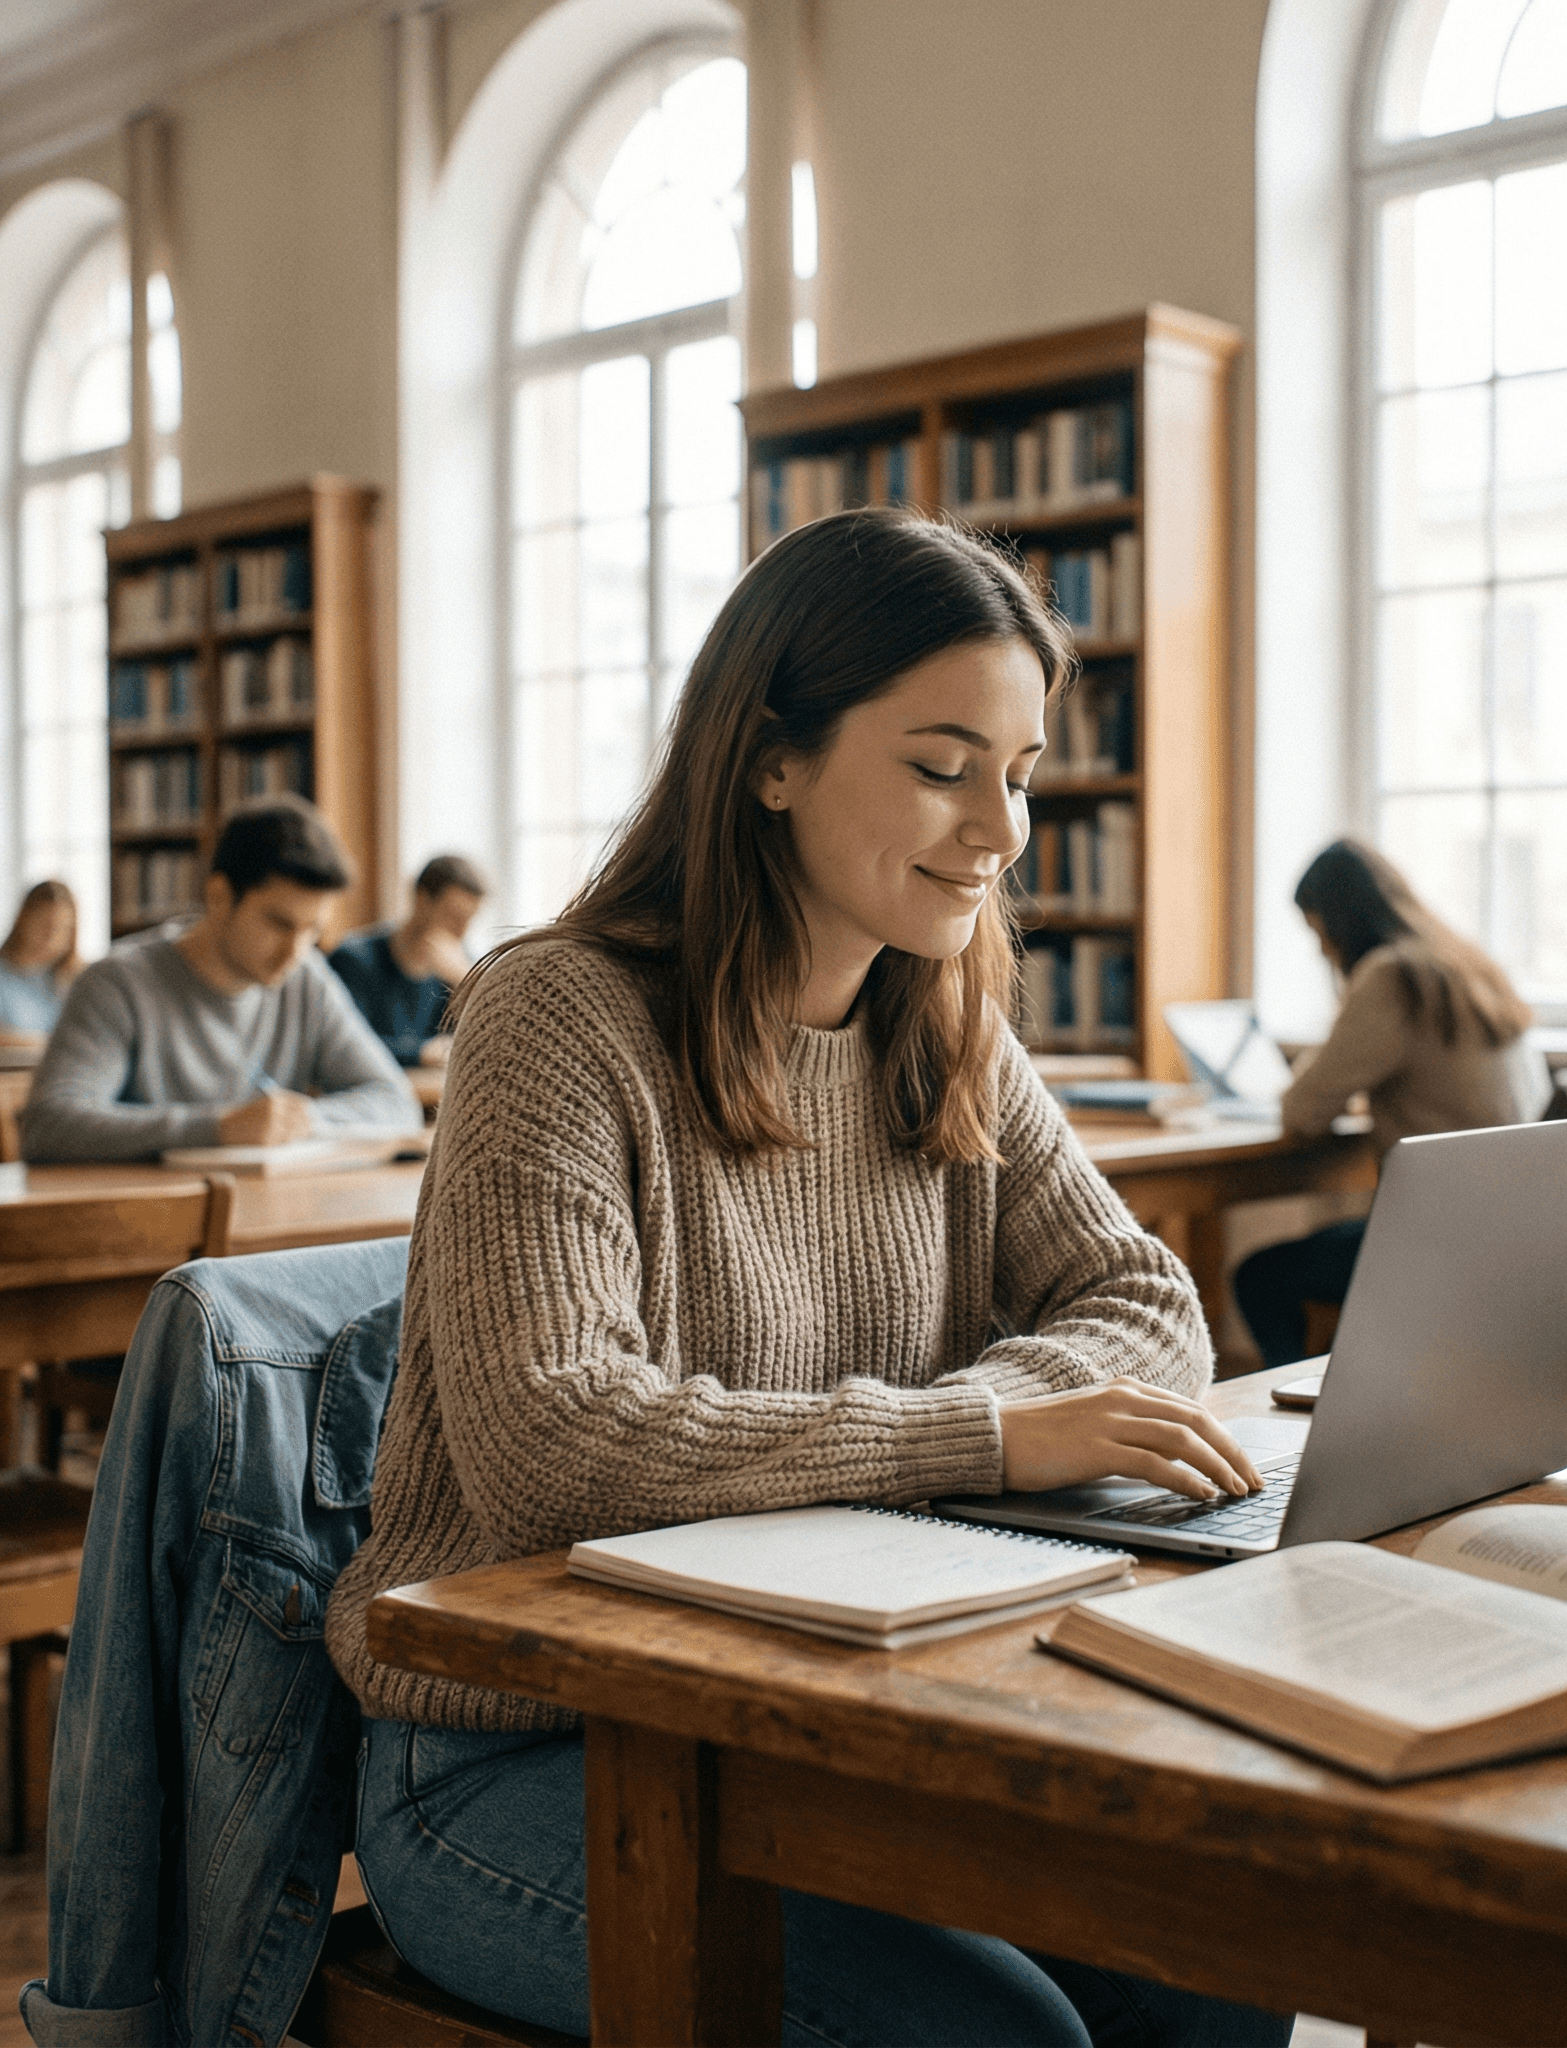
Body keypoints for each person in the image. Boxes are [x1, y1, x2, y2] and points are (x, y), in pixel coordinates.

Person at [327, 508, 1287, 2048]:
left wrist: (992, 1407)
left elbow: (1145, 1303)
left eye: (1021, 774)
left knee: (1223, 1956)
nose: (1001, 830)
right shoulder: (556, 1015)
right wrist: (981, 1435)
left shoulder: (949, 1016)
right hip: (520, 1761)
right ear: (769, 759)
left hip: (824, 1718)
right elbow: (549, 1447)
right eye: (941, 763)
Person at [1232, 839, 1553, 1369]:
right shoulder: (1467, 965)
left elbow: (1302, 1111)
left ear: (1343, 921)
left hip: (1440, 1238)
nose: (1321, 952)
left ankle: (1298, 1413)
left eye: (1319, 932)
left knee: (1261, 1276)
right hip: (1512, 1226)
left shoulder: (1393, 977)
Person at [19, 796, 423, 1163]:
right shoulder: (118, 983)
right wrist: (217, 1128)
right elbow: (50, 1125)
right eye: (279, 923)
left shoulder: (306, 981)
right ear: (218, 895)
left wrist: (303, 1119)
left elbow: (395, 1102)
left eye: (312, 930)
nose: (295, 951)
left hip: (269, 1222)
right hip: (145, 1228)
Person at [328, 853, 487, 1067]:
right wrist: (420, 1053)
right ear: (421, 900)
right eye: (453, 916)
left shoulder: (461, 968)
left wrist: (465, 984)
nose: (461, 932)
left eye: (469, 920)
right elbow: (343, 1047)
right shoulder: (353, 959)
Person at [0, 880, 82, 1043]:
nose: (52, 939)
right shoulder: (4, 977)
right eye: (45, 926)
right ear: (23, 920)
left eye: (63, 929)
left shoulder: (74, 978)